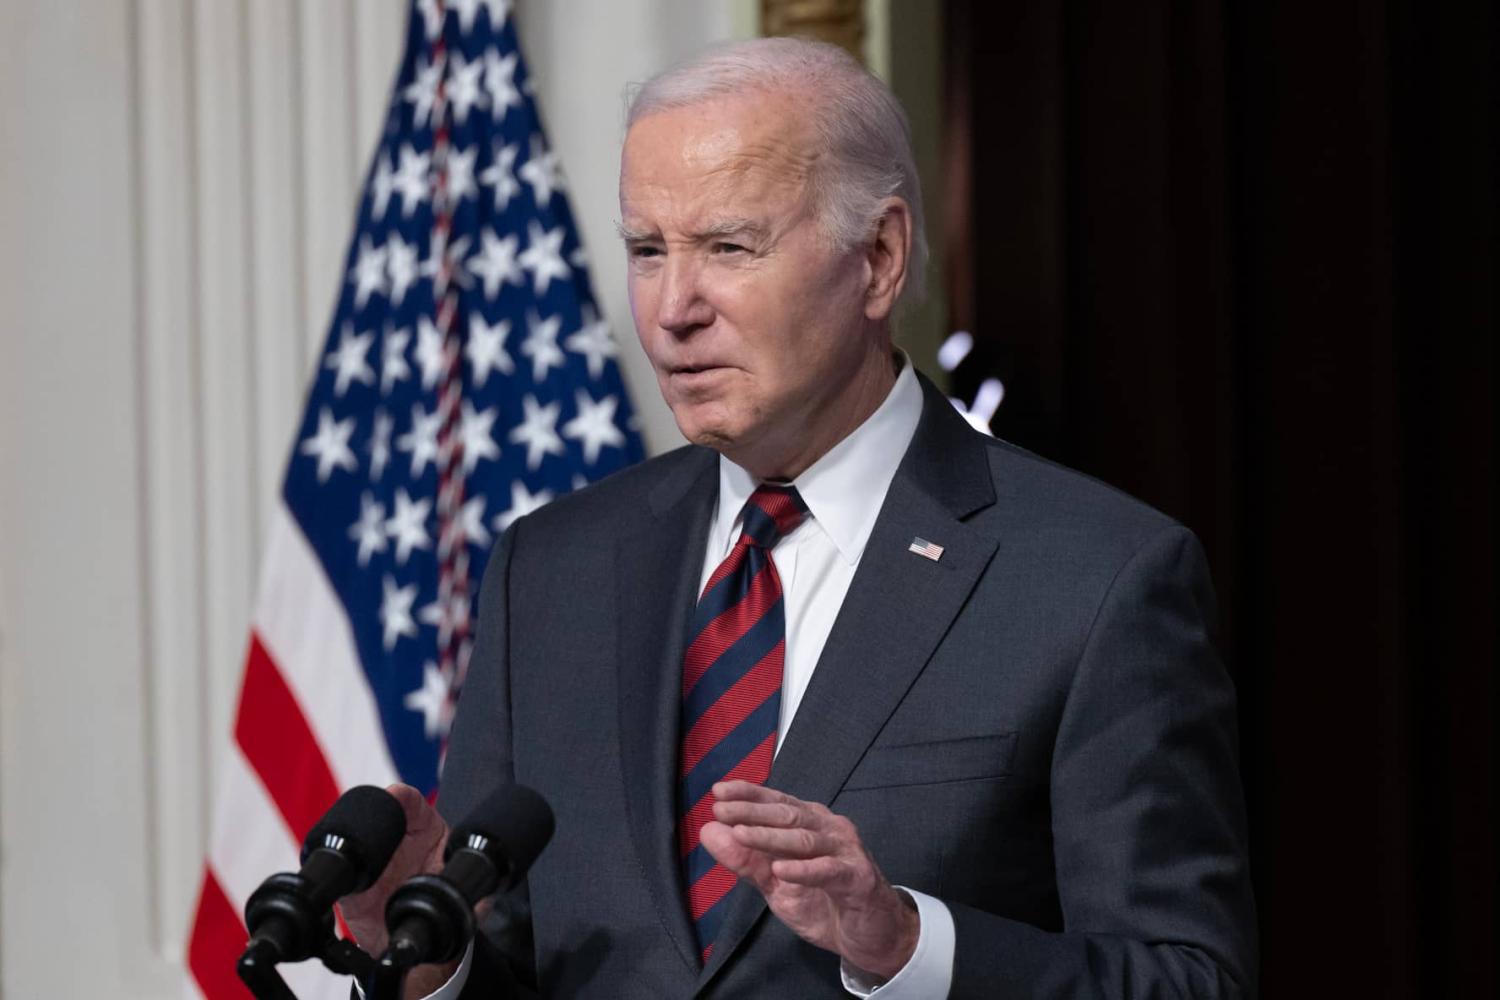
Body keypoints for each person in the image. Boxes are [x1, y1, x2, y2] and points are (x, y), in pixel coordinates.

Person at [342, 36, 1258, 998]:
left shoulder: (1097, 578)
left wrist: (907, 945)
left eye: (728, 247)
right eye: (648, 251)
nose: (673, 308)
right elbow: (520, 964)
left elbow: (1191, 982)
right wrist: (432, 964)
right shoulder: (550, 570)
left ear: (879, 258)